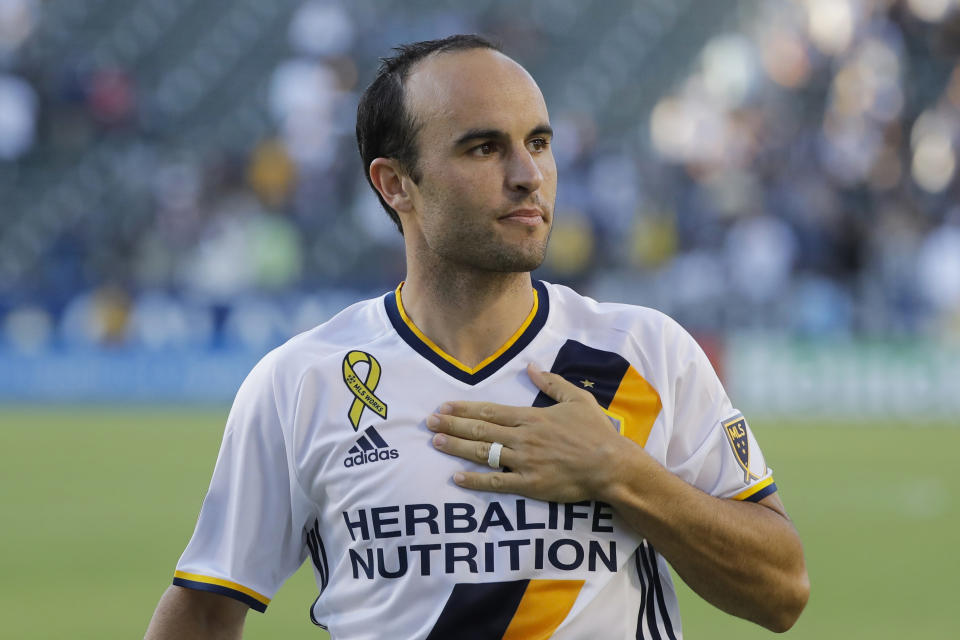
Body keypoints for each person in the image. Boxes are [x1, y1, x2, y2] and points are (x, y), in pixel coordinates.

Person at [145, 34, 809, 639]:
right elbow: (204, 609)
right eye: (484, 147)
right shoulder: (304, 381)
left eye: (540, 143)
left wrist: (620, 471)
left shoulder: (643, 353)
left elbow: (781, 592)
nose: (528, 174)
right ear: (396, 184)